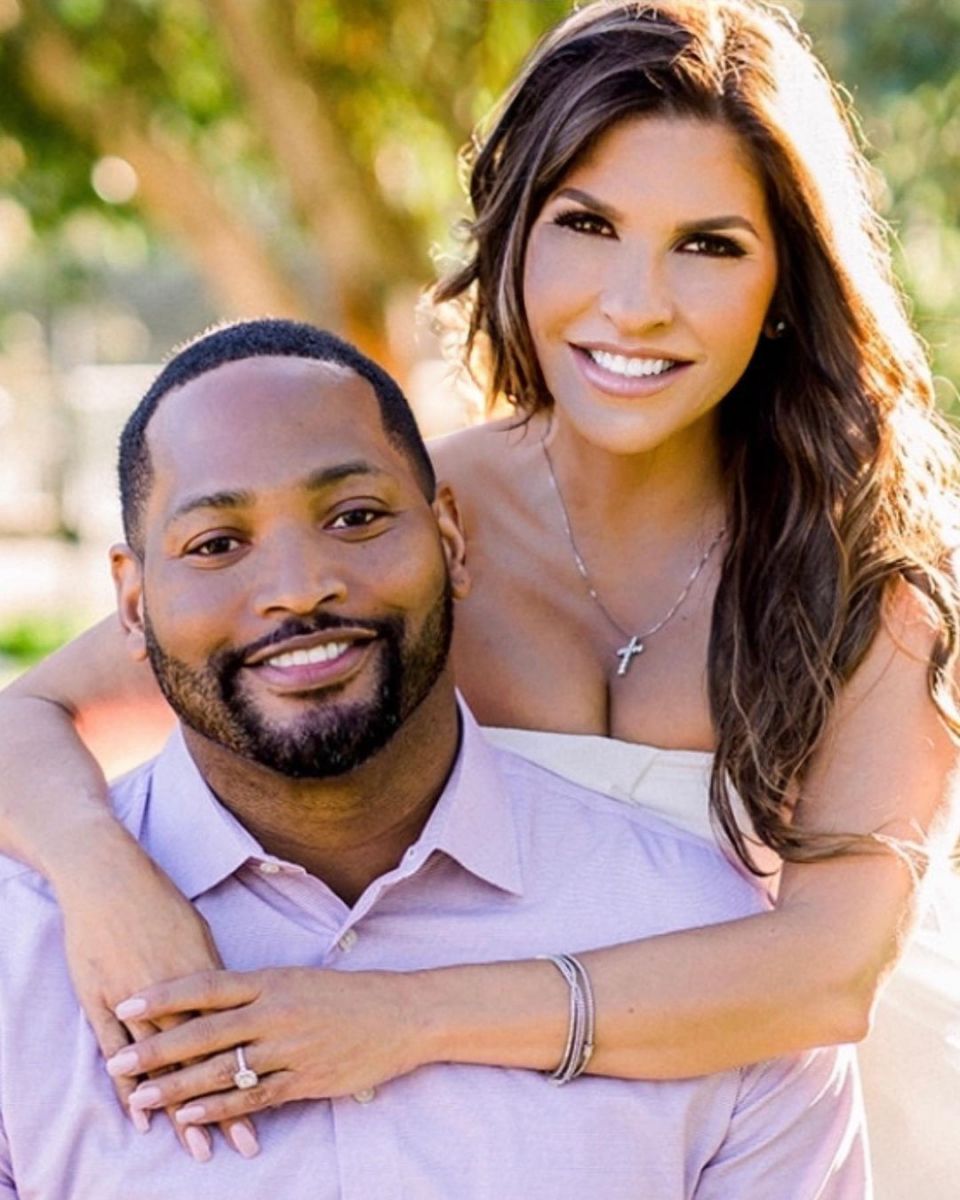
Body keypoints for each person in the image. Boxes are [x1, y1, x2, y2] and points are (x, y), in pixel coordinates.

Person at [0, 0, 957, 1194]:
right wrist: (105, 889)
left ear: (783, 280)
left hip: (819, 1116)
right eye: (587, 226)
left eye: (707, 244)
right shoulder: (399, 524)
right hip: (522, 1138)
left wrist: (397, 1019)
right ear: (513, 236)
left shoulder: (874, 569)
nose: (636, 303)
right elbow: (25, 720)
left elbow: (827, 975)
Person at [0, 319, 868, 1198]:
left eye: (357, 517)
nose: (301, 588)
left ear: (451, 539)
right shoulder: (20, 959)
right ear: (134, 601)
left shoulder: (707, 950)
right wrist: (91, 871)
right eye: (218, 543)